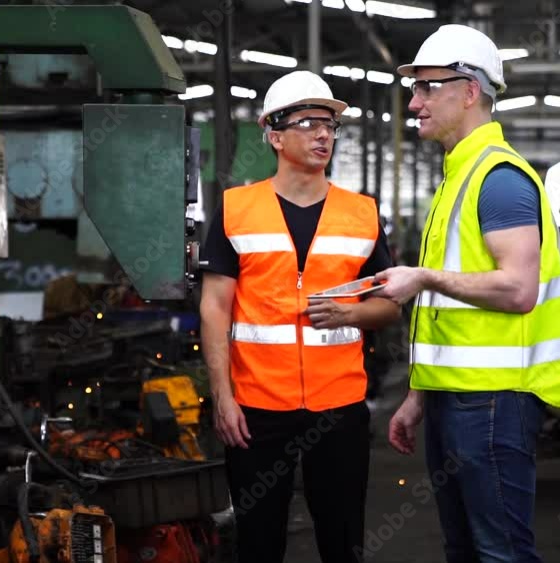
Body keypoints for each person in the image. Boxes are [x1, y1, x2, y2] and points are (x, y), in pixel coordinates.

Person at [372, 24, 560, 563]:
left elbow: (519, 290)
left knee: (501, 552)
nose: (414, 101)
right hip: (457, 398)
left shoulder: (499, 179)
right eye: (415, 88)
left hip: (493, 401)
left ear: (470, 91)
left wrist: (422, 278)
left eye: (427, 88)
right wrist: (420, 395)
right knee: (466, 548)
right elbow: (450, 313)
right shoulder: (458, 177)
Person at [198, 70, 400, 563]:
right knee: (258, 542)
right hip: (256, 409)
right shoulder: (235, 210)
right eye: (309, 123)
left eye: (330, 124)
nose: (323, 134)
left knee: (342, 539)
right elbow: (214, 307)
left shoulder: (363, 214)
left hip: (340, 407)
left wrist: (350, 312)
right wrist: (222, 399)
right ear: (274, 134)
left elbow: (391, 304)